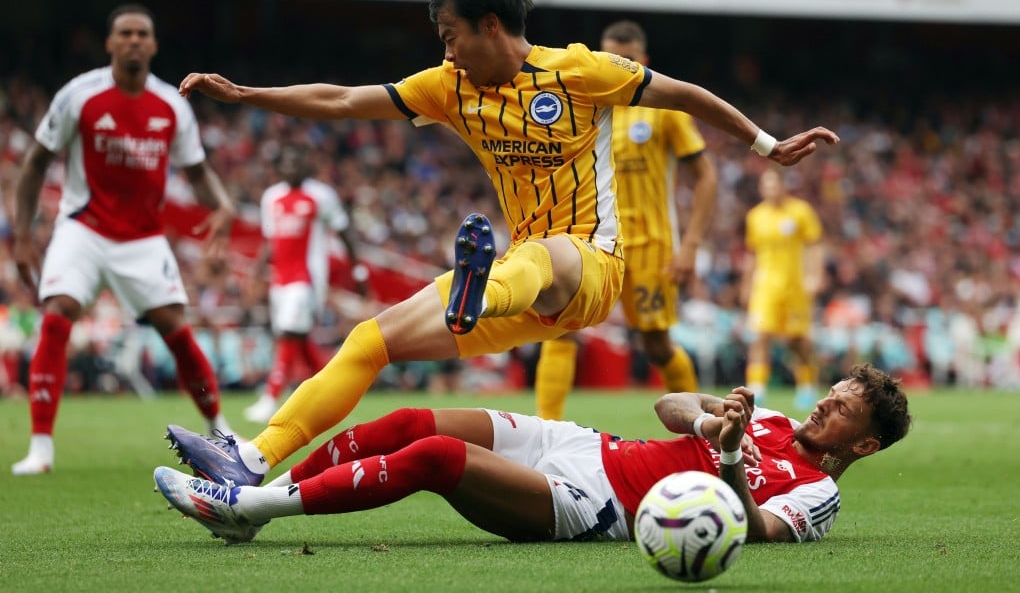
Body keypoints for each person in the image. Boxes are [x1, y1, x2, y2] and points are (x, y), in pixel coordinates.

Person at [164, 0, 839, 490]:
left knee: (543, 255)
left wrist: (766, 145)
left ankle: (476, 288)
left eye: (451, 35)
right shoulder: (449, 87)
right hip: (515, 282)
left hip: (590, 267)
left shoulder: (578, 72)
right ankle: (251, 459)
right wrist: (247, 93)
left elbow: (684, 95)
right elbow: (344, 99)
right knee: (370, 341)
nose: (446, 51)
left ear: (490, 24)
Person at [154, 363, 911, 545]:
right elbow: (667, 407)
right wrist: (714, 418)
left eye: (842, 406)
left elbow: (762, 533)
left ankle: (247, 510)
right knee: (412, 417)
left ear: (864, 443)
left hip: (595, 507)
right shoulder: (770, 417)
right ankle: (259, 481)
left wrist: (735, 466)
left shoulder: (818, 492)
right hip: (584, 444)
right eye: (834, 390)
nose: (825, 401)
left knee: (437, 457)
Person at [10, 4, 239, 475]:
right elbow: (34, 163)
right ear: (110, 43)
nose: (134, 41)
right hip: (84, 227)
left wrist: (223, 204)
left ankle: (223, 430)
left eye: (142, 34)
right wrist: (23, 234)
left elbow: (197, 172)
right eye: (125, 34)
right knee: (57, 313)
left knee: (176, 330)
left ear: (153, 45)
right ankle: (40, 449)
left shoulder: (172, 105)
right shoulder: (79, 95)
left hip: (143, 238)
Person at [534, 20, 718, 420]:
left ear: (644, 61)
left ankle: (700, 427)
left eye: (628, 60)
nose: (618, 67)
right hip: (594, 238)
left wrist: (690, 246)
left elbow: (705, 176)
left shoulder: (664, 111)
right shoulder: (584, 105)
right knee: (561, 326)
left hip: (651, 245)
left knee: (656, 344)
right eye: (610, 58)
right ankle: (545, 431)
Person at [244, 144, 368, 424]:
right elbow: (269, 240)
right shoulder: (271, 197)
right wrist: (257, 272)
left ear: (306, 167)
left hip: (308, 278)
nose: (291, 168)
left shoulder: (320, 195)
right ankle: (335, 393)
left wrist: (358, 271)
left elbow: (344, 230)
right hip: (280, 281)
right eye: (286, 163)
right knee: (297, 339)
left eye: (296, 163)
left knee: (289, 333)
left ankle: (270, 397)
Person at [741, 168, 824, 409]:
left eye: (773, 184)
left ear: (782, 186)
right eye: (765, 185)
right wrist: (746, 284)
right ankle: (757, 388)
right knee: (760, 335)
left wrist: (815, 275)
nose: (769, 190)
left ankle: (807, 386)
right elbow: (752, 253)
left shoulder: (800, 211)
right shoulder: (755, 216)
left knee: (797, 340)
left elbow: (814, 245)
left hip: (795, 285)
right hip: (765, 286)